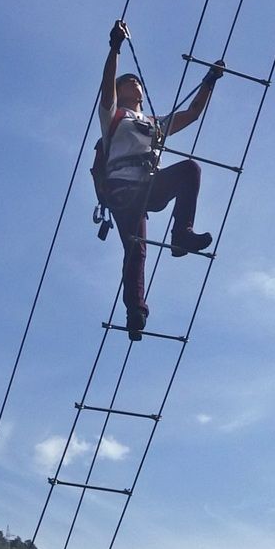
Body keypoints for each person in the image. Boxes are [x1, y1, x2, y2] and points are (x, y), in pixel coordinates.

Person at [97, 20, 222, 339]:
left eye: (136, 80)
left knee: (189, 169)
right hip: (123, 190)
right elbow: (107, 86)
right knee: (136, 249)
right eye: (128, 81)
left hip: (147, 187)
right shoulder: (114, 116)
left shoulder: (154, 123)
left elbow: (191, 114)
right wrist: (115, 48)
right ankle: (135, 311)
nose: (134, 82)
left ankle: (182, 235)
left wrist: (209, 81)